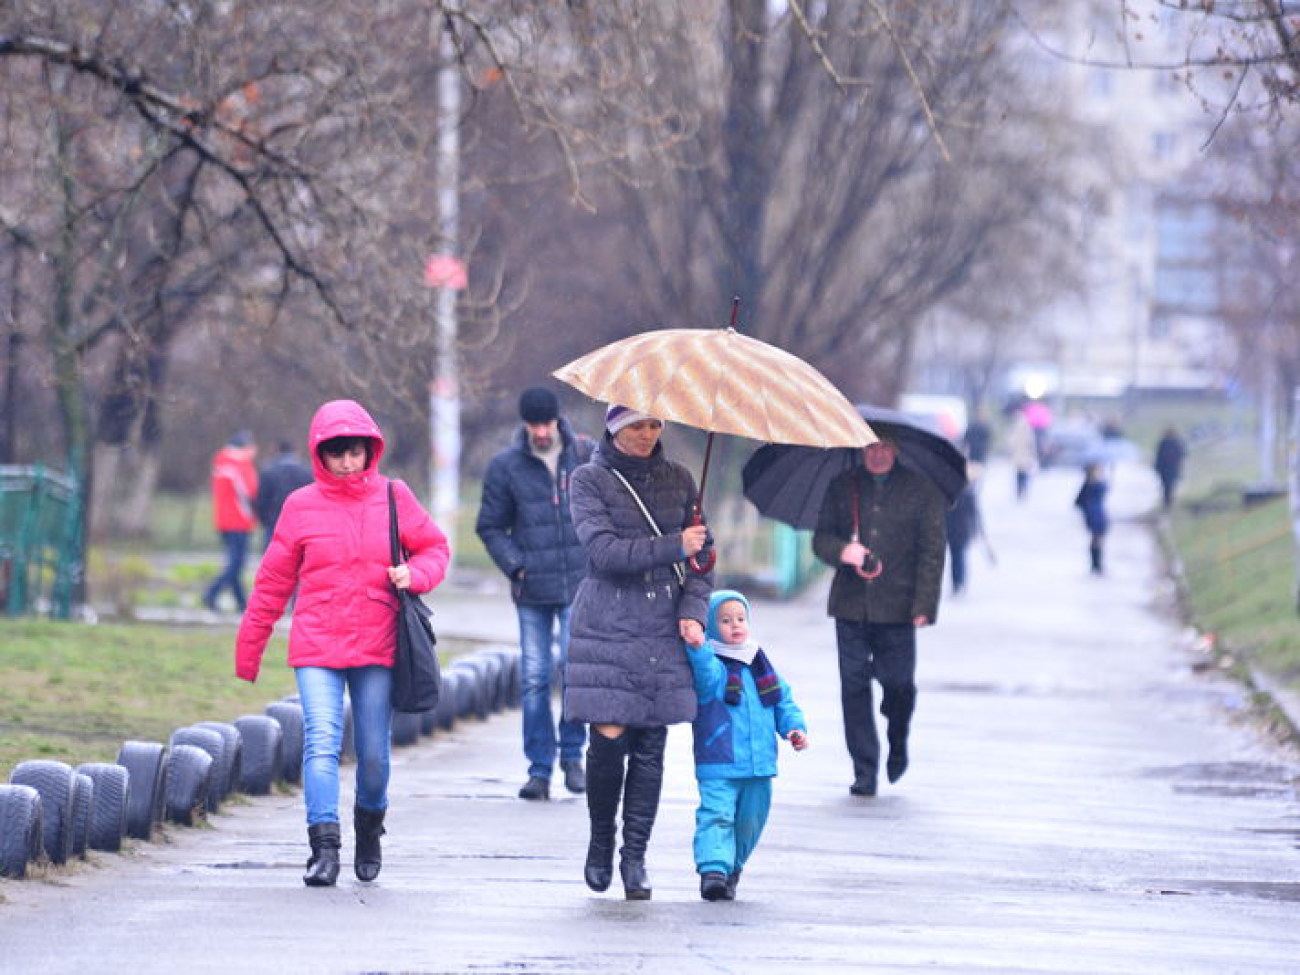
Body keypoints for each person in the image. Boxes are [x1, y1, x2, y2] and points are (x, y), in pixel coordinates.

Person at [234, 399, 450, 887]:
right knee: (321, 742)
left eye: (354, 451)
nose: (347, 462)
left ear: (369, 449)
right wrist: (250, 648)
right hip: (318, 644)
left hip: (377, 644)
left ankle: (369, 827)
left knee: (374, 753)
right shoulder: (300, 506)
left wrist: (413, 574)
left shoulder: (395, 496)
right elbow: (272, 583)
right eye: (336, 454)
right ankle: (324, 848)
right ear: (321, 455)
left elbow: (436, 548)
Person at [565, 404, 713, 901]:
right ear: (614, 427)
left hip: (662, 626)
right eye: (636, 426)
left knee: (650, 745)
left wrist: (695, 610)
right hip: (608, 622)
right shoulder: (588, 480)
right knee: (608, 738)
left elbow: (702, 561)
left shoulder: (681, 478)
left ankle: (635, 856)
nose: (647, 434)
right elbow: (604, 553)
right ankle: (600, 840)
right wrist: (676, 544)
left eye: (654, 424)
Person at [476, 386, 594, 802]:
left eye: (546, 423)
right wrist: (516, 564)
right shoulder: (505, 467)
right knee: (533, 678)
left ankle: (573, 756)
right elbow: (490, 526)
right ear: (524, 425)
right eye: (534, 425)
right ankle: (539, 769)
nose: (541, 432)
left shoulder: (585, 455)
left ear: (557, 419)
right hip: (532, 589)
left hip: (580, 583)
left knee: (574, 670)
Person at [812, 437, 946, 798]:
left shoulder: (920, 492)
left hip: (899, 609)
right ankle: (865, 768)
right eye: (870, 447)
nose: (878, 454)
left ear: (897, 450)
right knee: (853, 686)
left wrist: (924, 605)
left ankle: (898, 737)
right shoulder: (844, 487)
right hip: (850, 607)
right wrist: (843, 550)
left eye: (885, 447)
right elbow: (821, 539)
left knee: (899, 685)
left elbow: (933, 552)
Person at [684, 589, 807, 902]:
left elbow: (783, 700)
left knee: (751, 820)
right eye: (725, 620)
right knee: (717, 814)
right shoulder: (713, 664)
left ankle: (733, 867)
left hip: (760, 763)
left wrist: (794, 728)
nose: (735, 625)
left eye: (740, 618)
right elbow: (705, 673)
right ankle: (713, 870)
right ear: (713, 626)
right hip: (719, 756)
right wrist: (698, 647)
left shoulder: (760, 663)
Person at [203, 429, 258, 612]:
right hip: (239, 521)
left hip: (223, 520)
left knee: (234, 562)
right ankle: (212, 592)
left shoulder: (220, 462)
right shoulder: (241, 465)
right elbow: (249, 493)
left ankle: (242, 603)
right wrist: (254, 514)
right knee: (237, 564)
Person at [255, 440, 313, 550]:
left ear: (277, 451)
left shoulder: (268, 472)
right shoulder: (307, 472)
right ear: (296, 452)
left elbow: (261, 499)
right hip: (300, 522)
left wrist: (264, 519)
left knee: (272, 559)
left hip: (274, 522)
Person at [944, 465, 983, 596]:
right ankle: (959, 582)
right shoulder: (968, 494)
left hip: (952, 530)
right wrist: (975, 531)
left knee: (956, 557)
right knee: (959, 556)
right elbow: (974, 516)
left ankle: (957, 583)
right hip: (961, 531)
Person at [1074, 461, 1109, 576]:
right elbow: (1078, 502)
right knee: (1096, 539)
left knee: (1097, 539)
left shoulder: (1094, 483)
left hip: (1096, 514)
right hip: (1094, 515)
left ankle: (1096, 564)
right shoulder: (1092, 485)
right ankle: (1096, 564)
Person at [1154, 426, 1187, 512]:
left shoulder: (1163, 443)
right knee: (1170, 487)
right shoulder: (1178, 443)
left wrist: (1157, 468)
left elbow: (1158, 457)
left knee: (1165, 487)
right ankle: (1169, 503)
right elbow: (1182, 456)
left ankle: (1167, 503)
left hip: (1164, 469)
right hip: (1173, 469)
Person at [1007, 408, 1037, 501]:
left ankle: (1020, 490)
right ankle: (1023, 489)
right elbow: (1031, 442)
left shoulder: (1015, 427)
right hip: (1025, 454)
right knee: (1024, 473)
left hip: (1019, 454)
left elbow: (1011, 441)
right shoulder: (1027, 427)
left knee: (1019, 474)